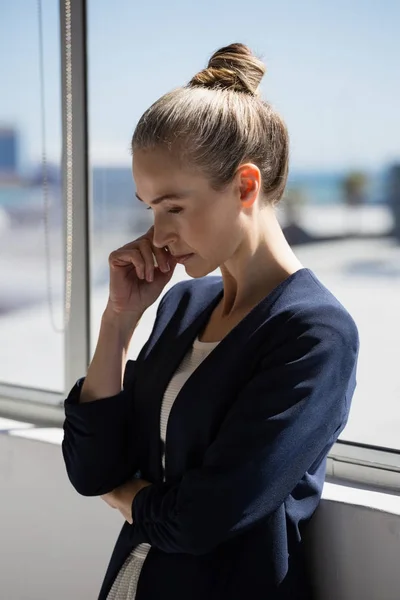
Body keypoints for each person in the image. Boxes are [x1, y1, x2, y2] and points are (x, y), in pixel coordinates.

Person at [62, 43, 359, 600]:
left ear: (246, 186)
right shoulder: (182, 305)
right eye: (149, 208)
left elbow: (203, 519)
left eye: (173, 207)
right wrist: (120, 320)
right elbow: (91, 469)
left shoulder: (314, 333)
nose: (157, 234)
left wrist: (126, 497)